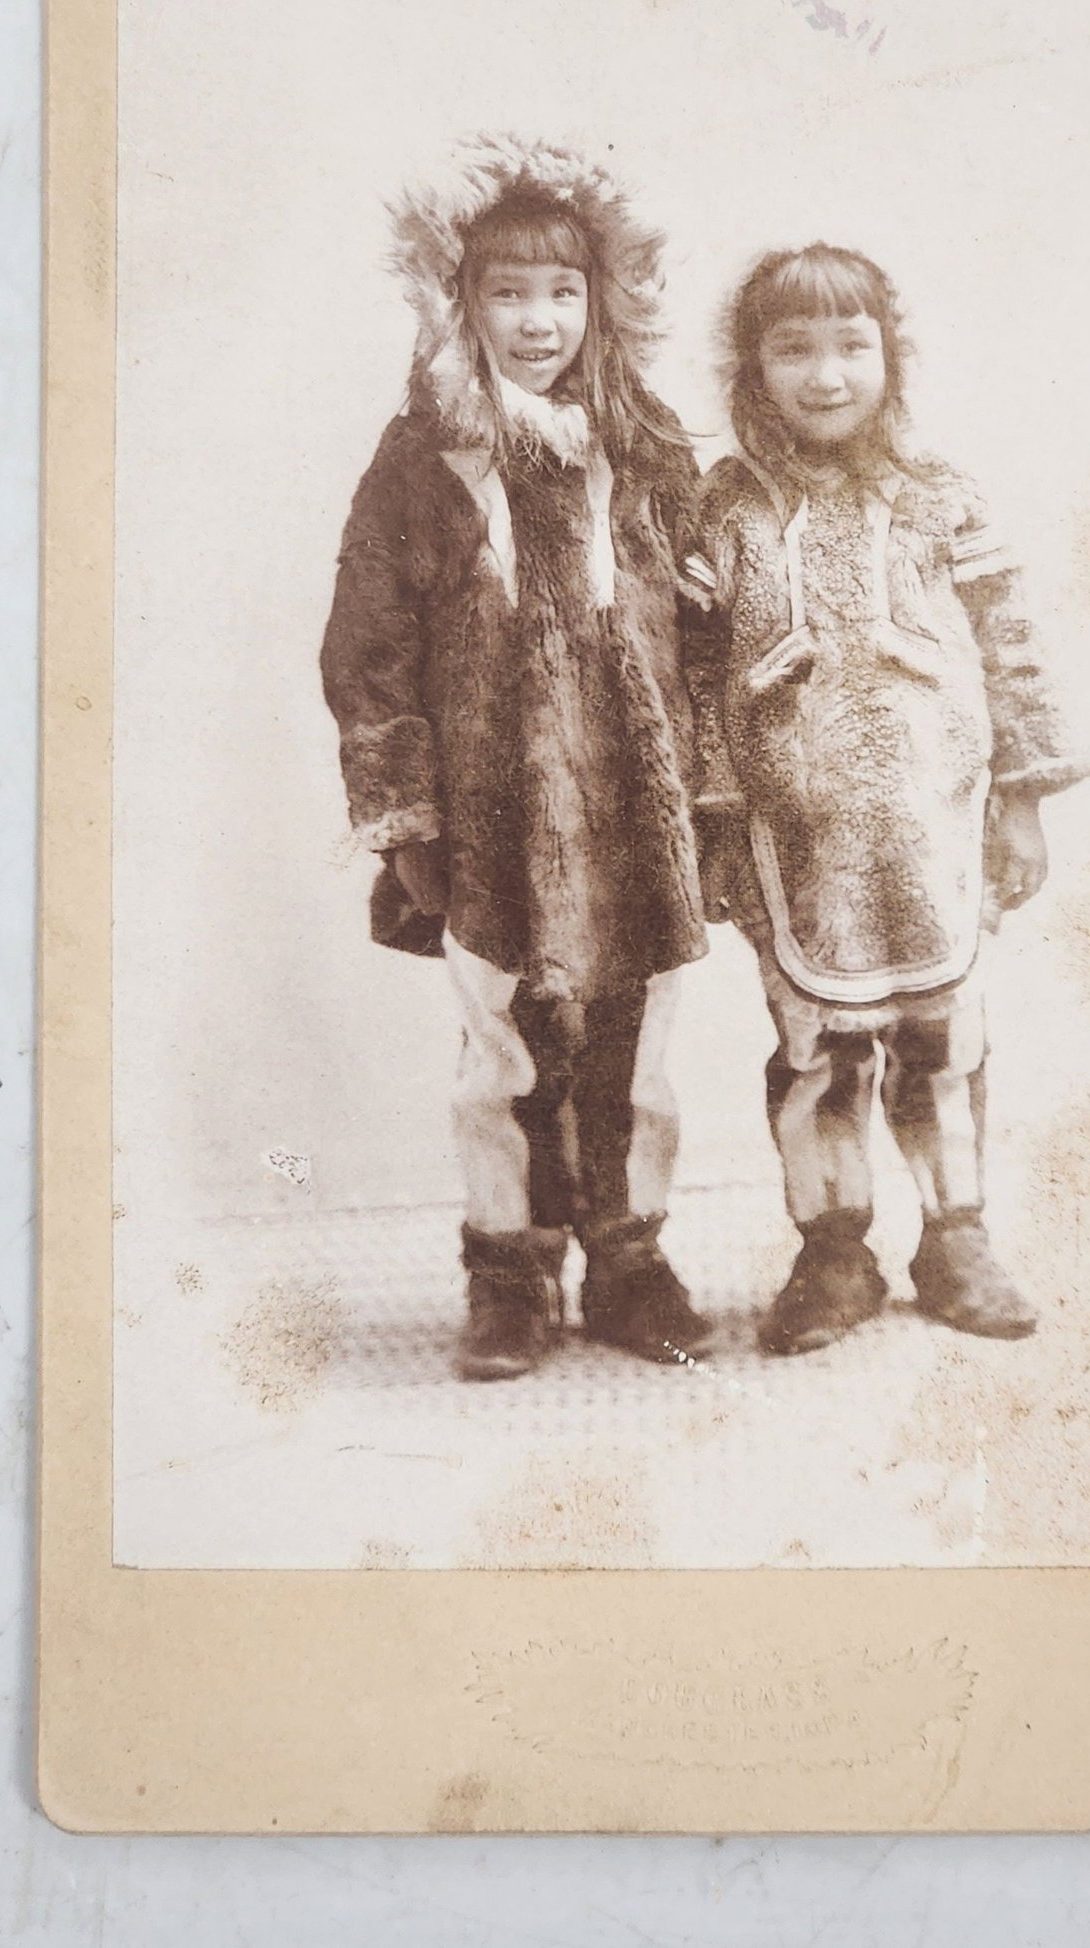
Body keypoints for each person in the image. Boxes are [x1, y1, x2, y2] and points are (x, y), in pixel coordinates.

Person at [321, 136, 712, 1380]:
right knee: (502, 1045)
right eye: (505, 292)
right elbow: (368, 645)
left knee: (634, 1044)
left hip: (633, 808)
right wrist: (404, 815)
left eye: (561, 292)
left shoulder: (645, 444)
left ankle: (631, 1260)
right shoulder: (424, 455)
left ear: (605, 298)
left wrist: (714, 783)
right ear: (459, 301)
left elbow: (705, 625)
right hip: (486, 813)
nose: (536, 321)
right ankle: (509, 1275)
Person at [684, 243, 1090, 1356]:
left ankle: (955, 1236)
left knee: (943, 1032)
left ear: (889, 355)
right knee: (819, 1045)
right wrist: (714, 822)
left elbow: (1010, 646)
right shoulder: (724, 508)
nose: (825, 375)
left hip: (933, 831)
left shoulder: (938, 496)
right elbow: (689, 669)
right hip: (795, 843)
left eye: (849, 346)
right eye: (794, 349)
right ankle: (831, 1251)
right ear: (752, 368)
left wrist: (1022, 801)